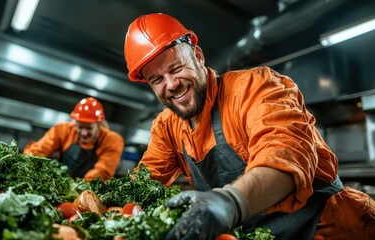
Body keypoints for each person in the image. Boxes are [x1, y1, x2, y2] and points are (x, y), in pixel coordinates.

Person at [123, 13, 375, 240]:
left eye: (176, 68)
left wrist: (230, 202)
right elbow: (145, 183)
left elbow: (284, 153)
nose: (171, 84)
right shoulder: (166, 126)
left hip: (330, 226)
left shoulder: (256, 87)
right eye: (157, 80)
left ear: (198, 57)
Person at [23, 97, 124, 181]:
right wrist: (27, 163)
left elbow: (102, 172)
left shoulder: (112, 140)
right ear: (75, 122)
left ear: (99, 125)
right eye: (80, 127)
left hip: (87, 191)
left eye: (89, 128)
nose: (84, 133)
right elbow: (38, 151)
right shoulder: (62, 130)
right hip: (60, 184)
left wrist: (79, 189)